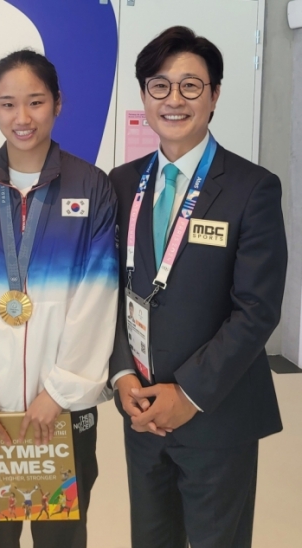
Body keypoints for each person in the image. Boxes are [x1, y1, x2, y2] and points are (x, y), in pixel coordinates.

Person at [109, 26, 287, 548]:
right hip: (142, 413)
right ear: (144, 95)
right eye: (159, 85)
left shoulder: (252, 187)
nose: (174, 99)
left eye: (191, 86)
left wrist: (188, 393)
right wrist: (121, 374)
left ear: (214, 95)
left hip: (217, 414)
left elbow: (256, 309)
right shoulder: (121, 184)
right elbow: (108, 293)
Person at [0, 49, 118, 548]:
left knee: (61, 536)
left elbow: (98, 296)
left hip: (61, 413)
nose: (22, 117)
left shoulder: (92, 186)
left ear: (58, 103)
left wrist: (59, 392)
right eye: (7, 104)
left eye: (36, 102)